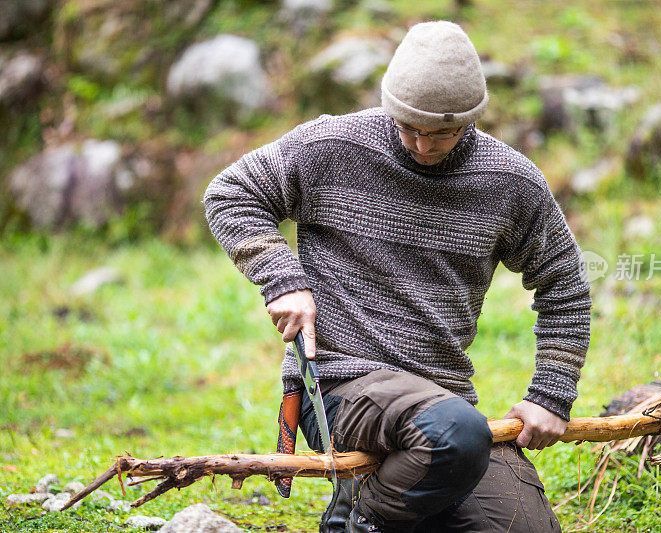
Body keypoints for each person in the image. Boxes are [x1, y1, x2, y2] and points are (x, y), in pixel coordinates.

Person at [204, 20, 591, 533]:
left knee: (524, 526)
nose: (422, 146)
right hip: (341, 386)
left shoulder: (511, 183)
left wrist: (551, 393)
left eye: (441, 133)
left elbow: (564, 282)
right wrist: (282, 277)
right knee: (453, 435)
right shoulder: (332, 146)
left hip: (443, 406)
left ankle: (399, 492)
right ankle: (358, 521)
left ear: (471, 119)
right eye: (408, 127)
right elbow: (230, 193)